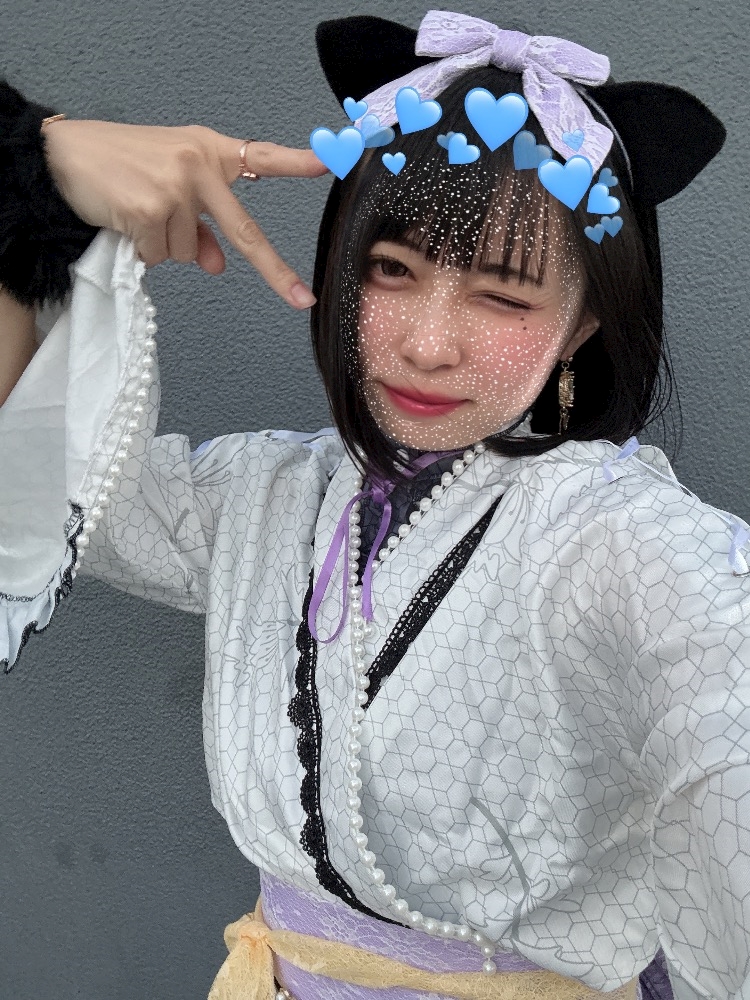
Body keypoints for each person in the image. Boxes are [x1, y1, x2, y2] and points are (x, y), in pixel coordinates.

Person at [1, 9, 748, 1000]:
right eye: (391, 270)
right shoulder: (268, 496)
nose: (427, 344)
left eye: (503, 295)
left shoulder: (621, 542)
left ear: (583, 325)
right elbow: (44, 468)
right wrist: (32, 174)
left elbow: (721, 690)